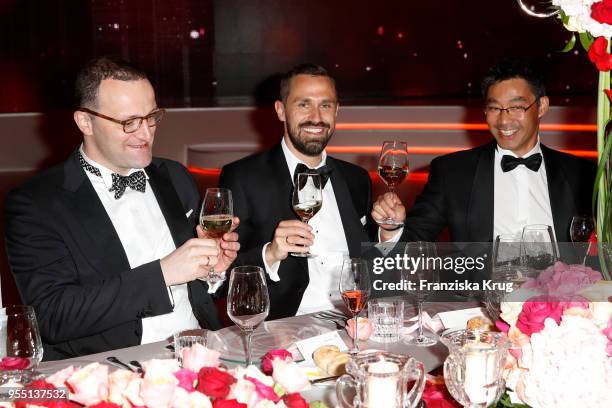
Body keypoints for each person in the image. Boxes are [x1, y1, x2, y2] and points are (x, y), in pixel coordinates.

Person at [4, 57, 240, 360]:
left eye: (151, 117)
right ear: (85, 122)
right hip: (112, 365)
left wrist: (213, 271)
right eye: (129, 122)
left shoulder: (174, 176)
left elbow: (202, 297)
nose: (146, 134)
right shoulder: (36, 203)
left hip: (201, 351)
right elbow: (53, 316)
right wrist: (163, 274)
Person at [373, 59, 596, 244]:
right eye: (494, 108)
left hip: (560, 295)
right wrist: (391, 229)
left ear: (542, 106)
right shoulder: (452, 172)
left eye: (517, 107)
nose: (504, 119)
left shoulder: (582, 174)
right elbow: (414, 243)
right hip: (481, 296)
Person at [219, 64, 373, 319]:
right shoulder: (242, 177)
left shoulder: (356, 178)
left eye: (325, 105)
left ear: (337, 111)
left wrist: (389, 232)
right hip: (285, 327)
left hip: (355, 319)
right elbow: (220, 279)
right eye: (304, 104)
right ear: (281, 110)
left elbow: (371, 258)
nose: (316, 117)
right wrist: (271, 253)